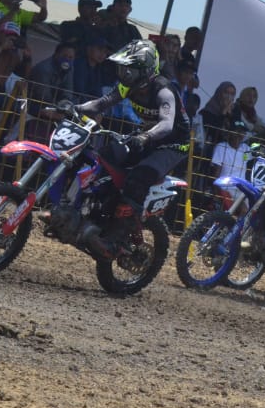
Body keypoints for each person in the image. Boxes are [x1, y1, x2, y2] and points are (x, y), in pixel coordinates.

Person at [70, 40, 190, 259]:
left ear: (145, 70)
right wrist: (74, 108)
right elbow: (102, 103)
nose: (124, 74)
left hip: (173, 145)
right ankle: (97, 214)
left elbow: (166, 124)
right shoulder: (128, 86)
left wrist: (145, 136)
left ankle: (116, 239)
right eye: (123, 68)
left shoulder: (163, 90)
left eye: (130, 69)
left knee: (139, 176)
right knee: (105, 156)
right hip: (146, 138)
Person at [211, 120, 250, 210]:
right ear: (229, 132)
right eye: (236, 131)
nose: (239, 134)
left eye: (242, 132)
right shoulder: (221, 147)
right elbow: (216, 173)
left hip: (242, 188)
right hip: (226, 186)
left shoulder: (246, 148)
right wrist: (216, 193)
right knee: (244, 210)